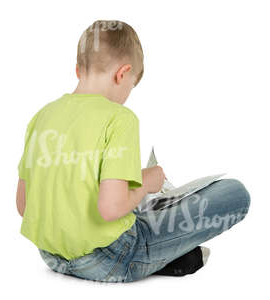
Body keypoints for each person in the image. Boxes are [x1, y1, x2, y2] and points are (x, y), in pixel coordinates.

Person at [16, 20, 251, 283]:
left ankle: (168, 252)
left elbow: (24, 205)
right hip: (112, 259)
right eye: (131, 85)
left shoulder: (42, 117)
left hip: (51, 256)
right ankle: (165, 255)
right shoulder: (120, 118)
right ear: (123, 73)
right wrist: (145, 184)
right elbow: (110, 208)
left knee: (134, 207)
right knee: (234, 193)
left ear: (78, 70)